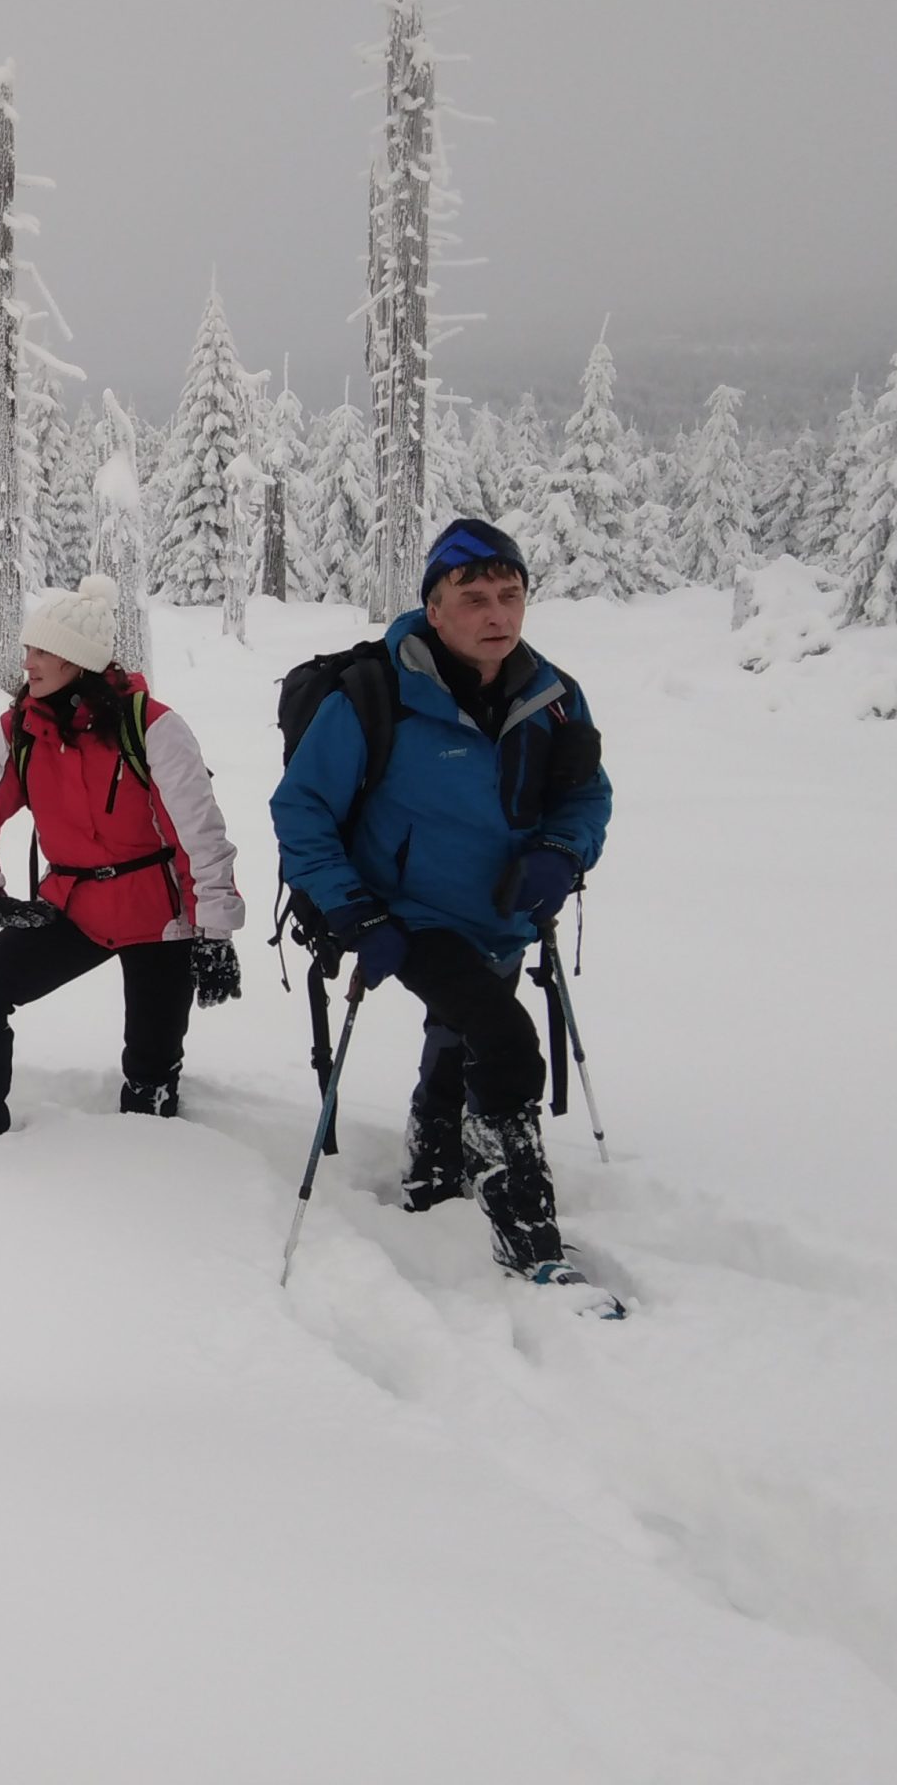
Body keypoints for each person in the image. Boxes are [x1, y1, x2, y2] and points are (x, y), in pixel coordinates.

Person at [271, 517, 616, 1301]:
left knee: (461, 1038)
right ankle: (527, 1235)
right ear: (434, 608)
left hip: (505, 911)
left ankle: (431, 1168)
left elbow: (584, 796)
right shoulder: (374, 694)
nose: (497, 614)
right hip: (408, 914)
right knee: (505, 1040)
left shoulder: (554, 696)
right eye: (474, 599)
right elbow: (301, 810)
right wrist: (355, 913)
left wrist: (561, 853)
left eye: (510, 595)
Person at [0, 575, 245, 1141]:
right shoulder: (20, 730)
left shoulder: (153, 727)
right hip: (73, 908)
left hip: (159, 917)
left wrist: (214, 933)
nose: (27, 662)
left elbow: (201, 837)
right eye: (28, 648)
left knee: (151, 1066)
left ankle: (147, 1159)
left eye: (42, 650)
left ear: (77, 660)